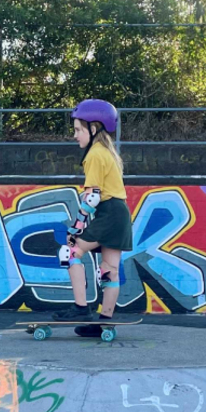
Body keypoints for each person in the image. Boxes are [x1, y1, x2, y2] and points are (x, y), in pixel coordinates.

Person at [51, 99, 133, 329]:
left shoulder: (95, 154)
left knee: (69, 253)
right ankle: (104, 323)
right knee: (110, 270)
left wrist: (75, 229)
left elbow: (92, 197)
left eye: (78, 129)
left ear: (93, 128)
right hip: (118, 213)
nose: (75, 135)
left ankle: (80, 309)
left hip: (109, 213)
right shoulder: (106, 152)